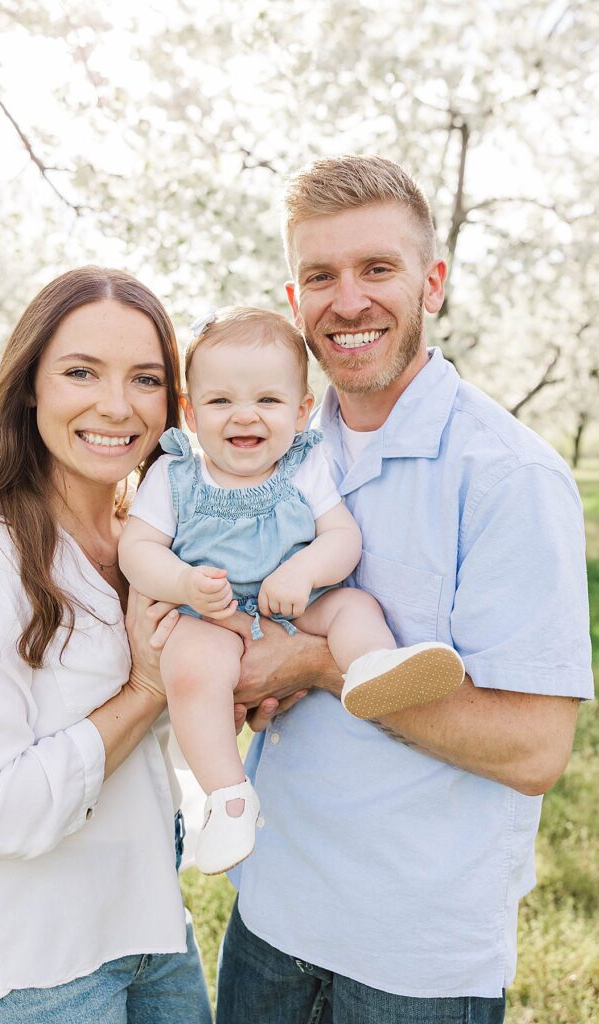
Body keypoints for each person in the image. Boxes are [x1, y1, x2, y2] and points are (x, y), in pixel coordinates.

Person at [213, 156, 594, 1023]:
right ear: (293, 297)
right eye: (321, 276)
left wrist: (314, 666)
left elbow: (534, 751)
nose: (347, 301)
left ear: (431, 282)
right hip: (268, 918)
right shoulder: (281, 450)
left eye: (376, 269)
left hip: (409, 963)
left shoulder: (506, 477)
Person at [0, 267, 212, 1024]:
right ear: (29, 387)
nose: (116, 405)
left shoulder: (149, 542)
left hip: (154, 932)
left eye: (144, 378)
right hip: (37, 967)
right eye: (81, 371)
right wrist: (142, 693)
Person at [119, 306, 464, 875]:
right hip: (212, 617)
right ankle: (228, 797)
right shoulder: (176, 476)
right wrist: (183, 581)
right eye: (221, 401)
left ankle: (374, 668)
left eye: (268, 401)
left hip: (292, 606)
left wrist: (303, 572)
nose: (243, 417)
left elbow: (343, 539)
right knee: (191, 669)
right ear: (190, 411)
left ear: (303, 411)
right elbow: (138, 551)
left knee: (355, 604)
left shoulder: (304, 467)